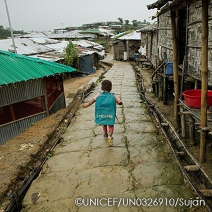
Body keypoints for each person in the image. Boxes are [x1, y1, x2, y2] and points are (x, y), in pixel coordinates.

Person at [82, 80, 122, 146]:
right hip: (110, 114)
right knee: (111, 124)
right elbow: (119, 102)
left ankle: (105, 134)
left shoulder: (99, 94)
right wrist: (120, 103)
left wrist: (86, 105)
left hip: (102, 113)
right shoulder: (113, 95)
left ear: (101, 88)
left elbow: (92, 101)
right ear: (111, 88)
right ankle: (110, 135)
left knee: (104, 123)